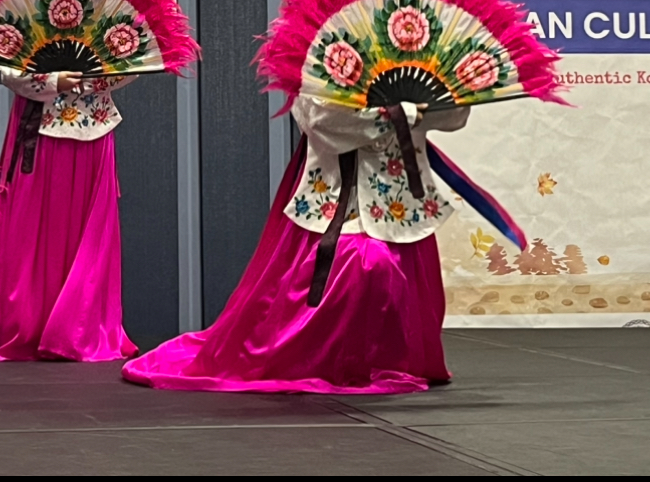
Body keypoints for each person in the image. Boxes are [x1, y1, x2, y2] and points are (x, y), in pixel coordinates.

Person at [123, 95, 469, 394]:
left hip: (398, 191)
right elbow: (319, 120)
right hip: (336, 190)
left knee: (399, 277)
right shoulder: (318, 51)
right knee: (361, 264)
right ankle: (327, 360)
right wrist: (405, 113)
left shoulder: (411, 47)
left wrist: (425, 106)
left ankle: (393, 359)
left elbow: (455, 114)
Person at [0, 0, 138, 361]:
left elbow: (130, 66)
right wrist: (51, 83)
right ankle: (25, 323)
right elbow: (6, 68)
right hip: (37, 128)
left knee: (89, 229)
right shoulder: (23, 5)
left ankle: (78, 327)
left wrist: (85, 80)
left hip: (93, 128)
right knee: (29, 228)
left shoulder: (107, 8)